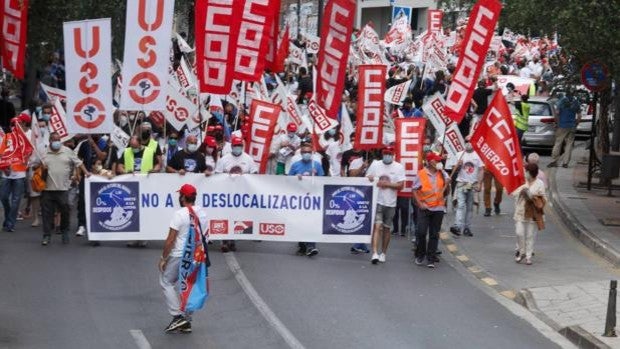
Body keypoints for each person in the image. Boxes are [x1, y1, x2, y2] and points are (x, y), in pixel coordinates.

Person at [159, 184, 208, 333]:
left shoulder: (179, 214)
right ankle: (186, 320)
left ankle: (177, 316)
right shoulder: (202, 213)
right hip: (196, 256)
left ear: (183, 197)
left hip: (180, 254)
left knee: (166, 281)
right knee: (190, 286)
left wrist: (163, 258)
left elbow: (170, 240)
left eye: (180, 195)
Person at [37, 132, 90, 245]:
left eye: (58, 139)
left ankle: (64, 231)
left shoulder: (67, 151)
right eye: (54, 140)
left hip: (63, 188)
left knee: (65, 212)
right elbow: (34, 166)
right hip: (47, 189)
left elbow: (79, 163)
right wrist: (40, 166)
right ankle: (46, 235)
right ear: (50, 141)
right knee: (47, 214)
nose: (56, 142)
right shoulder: (43, 153)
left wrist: (86, 173)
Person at [215, 136, 257, 252]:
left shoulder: (248, 159)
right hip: (227, 194)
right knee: (225, 216)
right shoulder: (224, 159)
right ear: (232, 146)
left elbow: (255, 173)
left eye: (240, 146)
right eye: (235, 145)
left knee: (239, 216)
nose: (237, 148)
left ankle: (233, 240)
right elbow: (217, 174)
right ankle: (224, 241)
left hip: (242, 194)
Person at [366, 146, 405, 264]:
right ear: (382, 154)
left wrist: (387, 184)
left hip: (391, 202)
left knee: (387, 228)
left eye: (389, 154)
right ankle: (374, 253)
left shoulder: (399, 167)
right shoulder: (375, 164)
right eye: (385, 153)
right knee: (377, 226)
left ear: (393, 155)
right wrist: (371, 178)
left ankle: (383, 253)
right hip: (377, 201)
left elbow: (401, 186)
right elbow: (367, 178)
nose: (387, 156)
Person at [413, 152, 448, 268]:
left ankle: (431, 258)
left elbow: (448, 185)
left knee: (434, 234)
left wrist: (449, 182)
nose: (438, 162)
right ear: (430, 162)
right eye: (436, 161)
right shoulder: (421, 174)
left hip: (438, 208)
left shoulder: (442, 173)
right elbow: (414, 190)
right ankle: (420, 254)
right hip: (425, 207)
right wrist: (419, 203)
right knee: (421, 232)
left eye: (439, 161)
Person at [288, 143, 325, 256]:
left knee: (311, 222)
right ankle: (302, 246)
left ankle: (311, 246)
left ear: (312, 153)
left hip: (313, 199)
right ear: (301, 153)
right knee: (300, 222)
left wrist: (316, 175)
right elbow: (287, 181)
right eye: (304, 152)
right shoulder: (295, 165)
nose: (307, 154)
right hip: (299, 199)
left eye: (309, 152)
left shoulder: (317, 165)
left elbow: (323, 181)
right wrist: (296, 178)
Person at [1, 115, 31, 232]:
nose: (14, 127)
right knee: (4, 197)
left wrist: (27, 159)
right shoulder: (7, 137)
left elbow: (29, 153)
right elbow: (1, 154)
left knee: (15, 200)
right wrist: (4, 168)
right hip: (6, 173)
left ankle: (10, 224)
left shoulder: (26, 138)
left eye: (17, 124)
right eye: (13, 125)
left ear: (22, 125)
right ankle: (9, 217)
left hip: (20, 174)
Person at [513, 163, 546, 265]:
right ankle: (521, 251)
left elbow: (544, 198)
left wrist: (532, 196)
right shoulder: (522, 181)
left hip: (533, 213)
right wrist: (522, 192)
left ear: (531, 173)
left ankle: (528, 256)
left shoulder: (540, 183)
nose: (525, 173)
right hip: (521, 211)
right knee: (519, 233)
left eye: (526, 171)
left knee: (530, 235)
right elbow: (513, 193)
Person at [450, 142, 484, 237]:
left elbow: (481, 169)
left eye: (471, 141)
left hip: (472, 185)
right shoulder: (460, 154)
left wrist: (479, 183)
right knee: (460, 206)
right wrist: (458, 165)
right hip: (461, 184)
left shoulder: (478, 155)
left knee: (469, 208)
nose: (469, 144)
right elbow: (453, 169)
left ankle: (467, 228)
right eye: (467, 142)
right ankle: (457, 226)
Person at [548, 89, 581, 168]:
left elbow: (557, 113)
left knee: (558, 143)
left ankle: (554, 161)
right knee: (569, 144)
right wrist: (576, 123)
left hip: (562, 125)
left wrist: (557, 123)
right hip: (572, 126)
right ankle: (565, 163)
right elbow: (579, 116)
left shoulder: (562, 101)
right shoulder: (576, 102)